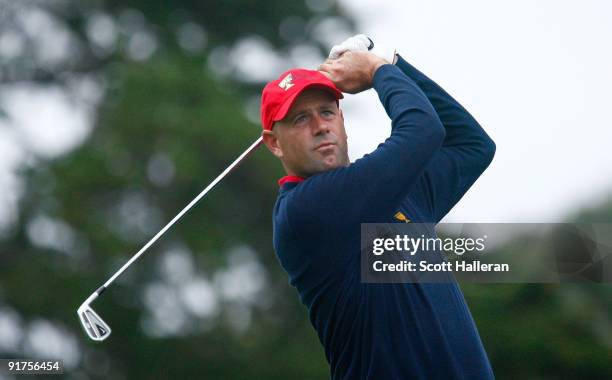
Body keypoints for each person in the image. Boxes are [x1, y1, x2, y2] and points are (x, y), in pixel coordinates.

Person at [260, 36, 496, 379]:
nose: (320, 126)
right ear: (274, 143)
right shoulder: (304, 210)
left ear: (341, 119)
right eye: (300, 119)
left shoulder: (397, 195)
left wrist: (397, 65)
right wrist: (377, 69)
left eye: (327, 111)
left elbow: (472, 145)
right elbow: (422, 131)